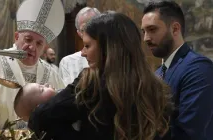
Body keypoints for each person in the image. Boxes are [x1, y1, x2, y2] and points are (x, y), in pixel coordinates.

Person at [15, 12, 173, 140]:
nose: (82, 53)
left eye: (87, 46)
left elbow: (39, 118)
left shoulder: (91, 83)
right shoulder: (156, 86)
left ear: (108, 48)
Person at [0, 0, 65, 128]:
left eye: (39, 43)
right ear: (16, 37)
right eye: (28, 39)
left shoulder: (52, 75)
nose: (32, 47)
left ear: (45, 47)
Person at [141, 1, 213, 139]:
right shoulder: (158, 73)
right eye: (144, 32)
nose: (146, 38)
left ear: (175, 29)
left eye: (152, 30)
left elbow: (191, 132)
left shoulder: (198, 68)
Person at [58, 7, 100, 86]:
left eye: (94, 27)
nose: (90, 33)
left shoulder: (114, 58)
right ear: (79, 34)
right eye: (84, 29)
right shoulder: (67, 62)